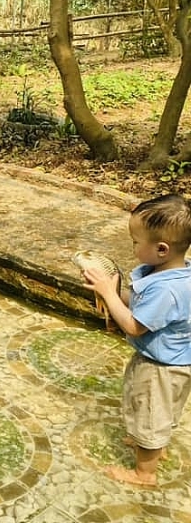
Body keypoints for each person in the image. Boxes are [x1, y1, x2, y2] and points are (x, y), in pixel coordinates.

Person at [82, 194, 191, 487]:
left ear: (161, 249)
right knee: (159, 409)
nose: (132, 247)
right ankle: (155, 445)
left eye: (134, 242)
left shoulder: (166, 291)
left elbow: (134, 325)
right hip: (174, 362)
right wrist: (114, 290)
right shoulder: (174, 273)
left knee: (150, 410)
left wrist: (107, 294)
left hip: (161, 368)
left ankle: (145, 473)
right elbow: (141, 305)